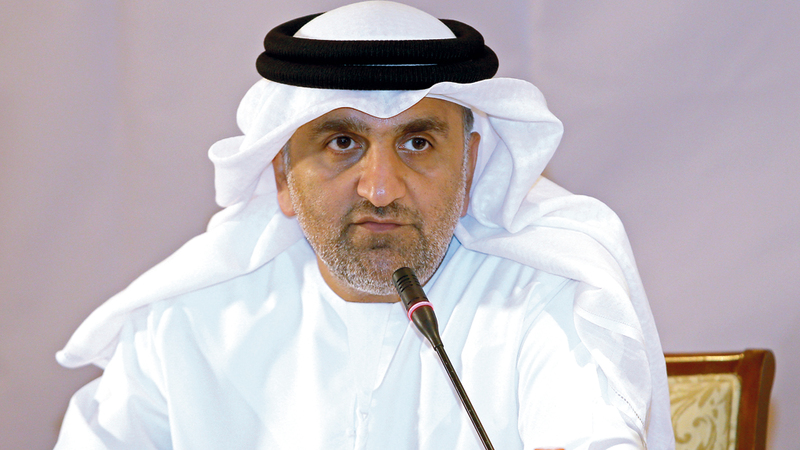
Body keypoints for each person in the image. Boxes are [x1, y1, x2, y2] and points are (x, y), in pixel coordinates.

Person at [54, 2, 674, 449]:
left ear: (469, 168)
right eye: (343, 142)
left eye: (418, 143)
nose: (380, 188)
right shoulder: (183, 324)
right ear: (282, 175)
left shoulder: (547, 302)